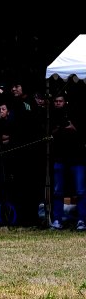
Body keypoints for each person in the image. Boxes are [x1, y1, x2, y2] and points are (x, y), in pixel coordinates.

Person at [48, 93, 86, 231]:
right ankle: (57, 219)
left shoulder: (76, 115)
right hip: (59, 158)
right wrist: (57, 130)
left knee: (81, 191)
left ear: (66, 102)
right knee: (58, 191)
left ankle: (82, 220)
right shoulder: (51, 117)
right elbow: (49, 134)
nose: (58, 103)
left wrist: (74, 129)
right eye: (56, 101)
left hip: (77, 158)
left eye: (60, 101)